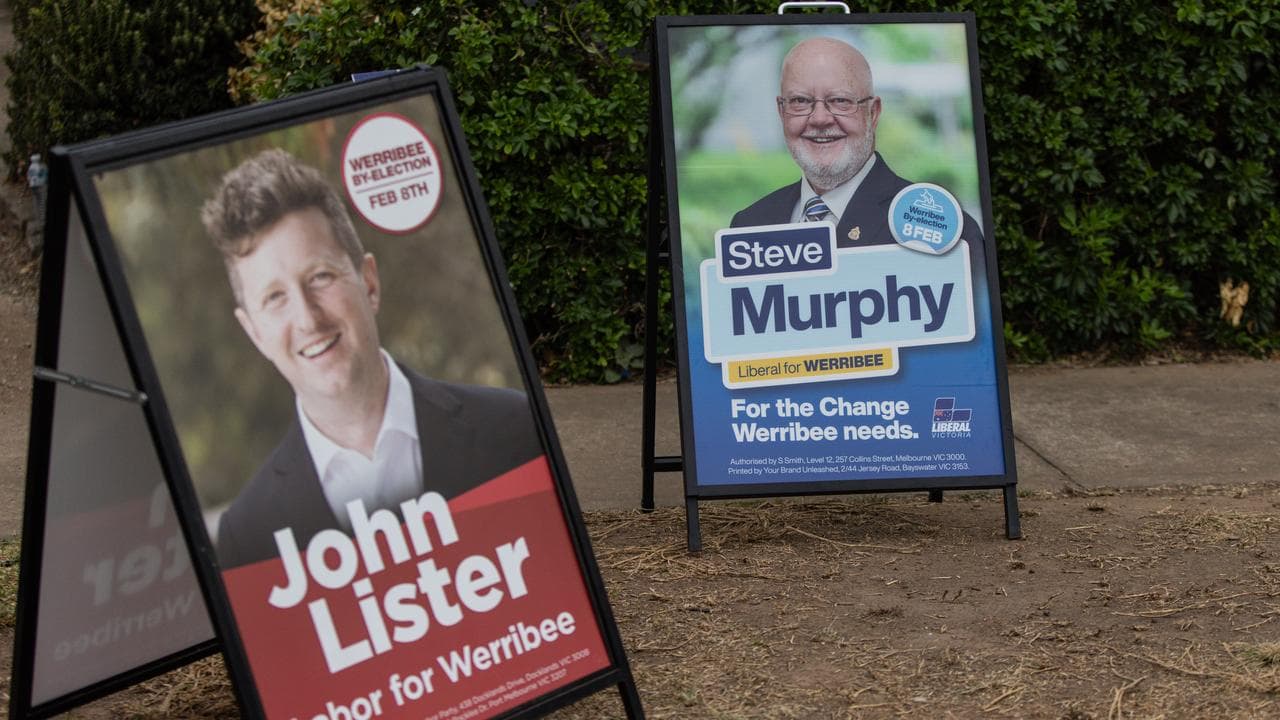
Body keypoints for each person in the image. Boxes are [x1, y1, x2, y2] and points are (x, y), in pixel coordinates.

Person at [202, 149, 542, 569]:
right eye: (275, 298)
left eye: (320, 277)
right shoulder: (249, 534)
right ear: (254, 332)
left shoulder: (515, 430)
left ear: (369, 282)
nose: (308, 318)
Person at [731, 36, 983, 250]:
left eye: (840, 100)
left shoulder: (942, 230)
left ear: (872, 113)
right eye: (800, 101)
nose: (819, 118)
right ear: (781, 111)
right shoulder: (749, 228)